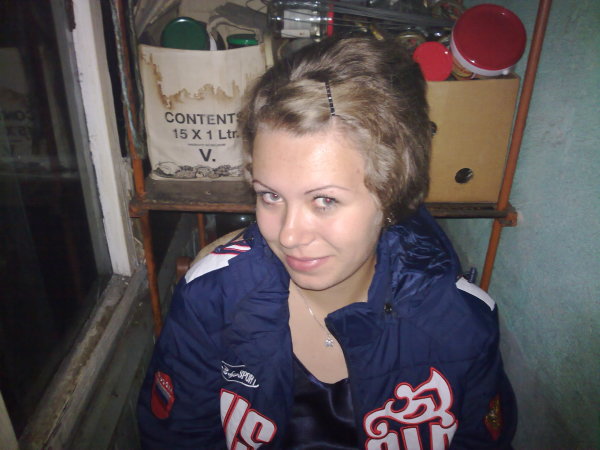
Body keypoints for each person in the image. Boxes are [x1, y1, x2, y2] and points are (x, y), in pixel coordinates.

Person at [137, 37, 516, 449]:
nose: (288, 235)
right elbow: (178, 438)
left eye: (325, 200)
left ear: (392, 191)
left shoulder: (460, 321)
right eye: (270, 195)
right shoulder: (210, 301)